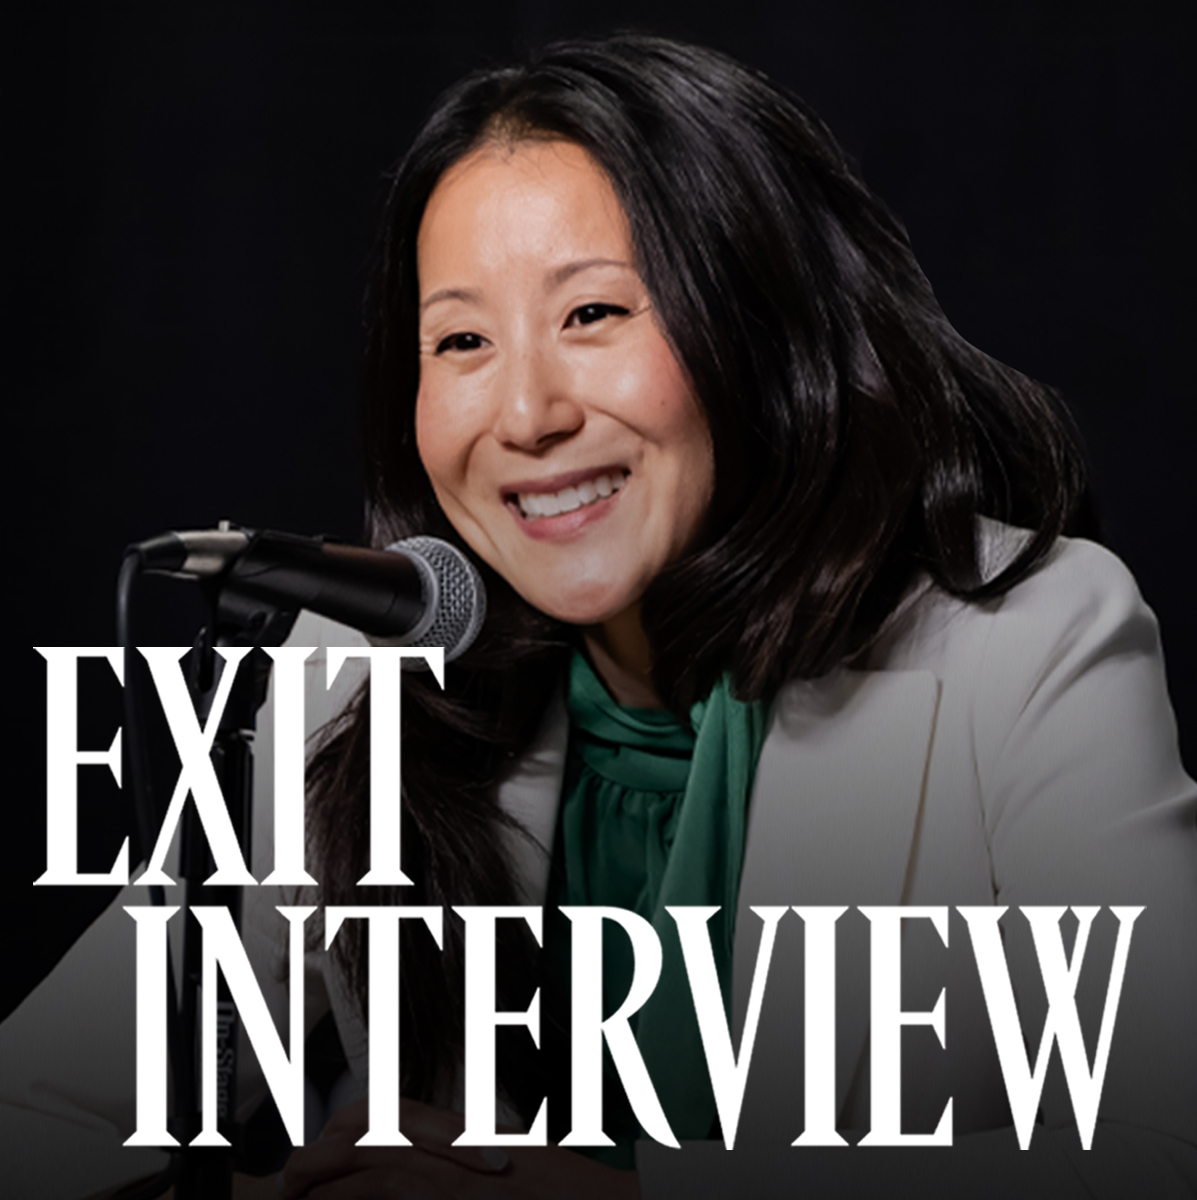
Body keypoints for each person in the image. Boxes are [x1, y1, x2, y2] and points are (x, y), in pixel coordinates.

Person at [2, 33, 1194, 1200]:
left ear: (763, 328)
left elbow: (1164, 1147)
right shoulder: (368, 662)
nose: (524, 413)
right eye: (461, 340)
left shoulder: (1033, 636)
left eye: (593, 316)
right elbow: (39, 1102)